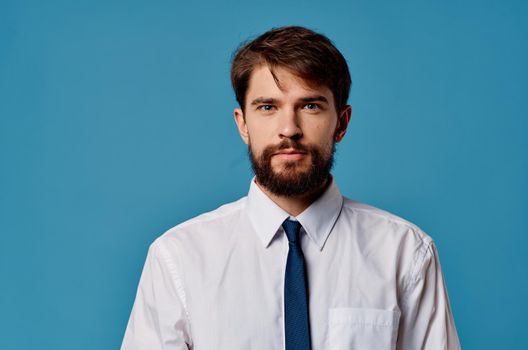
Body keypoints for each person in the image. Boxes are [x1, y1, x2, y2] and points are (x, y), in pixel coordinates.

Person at [121, 26, 460, 350]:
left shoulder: (405, 254)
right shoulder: (179, 258)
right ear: (243, 124)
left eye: (310, 106)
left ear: (341, 123)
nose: (289, 129)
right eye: (267, 107)